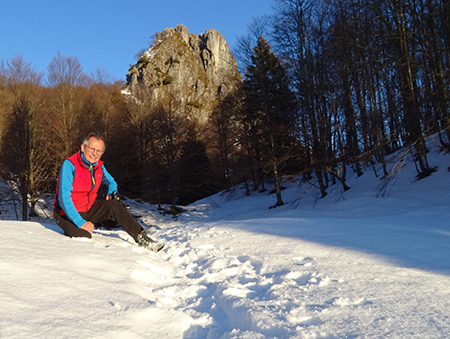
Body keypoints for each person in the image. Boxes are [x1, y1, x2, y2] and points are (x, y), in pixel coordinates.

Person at [53, 132, 164, 252]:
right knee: (83, 235)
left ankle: (141, 238)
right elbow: (64, 198)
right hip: (65, 214)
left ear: (102, 153)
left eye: (99, 151)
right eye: (92, 149)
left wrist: (112, 193)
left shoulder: (98, 166)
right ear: (83, 147)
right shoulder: (70, 165)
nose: (95, 153)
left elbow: (111, 182)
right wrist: (80, 223)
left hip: (88, 209)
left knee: (114, 205)